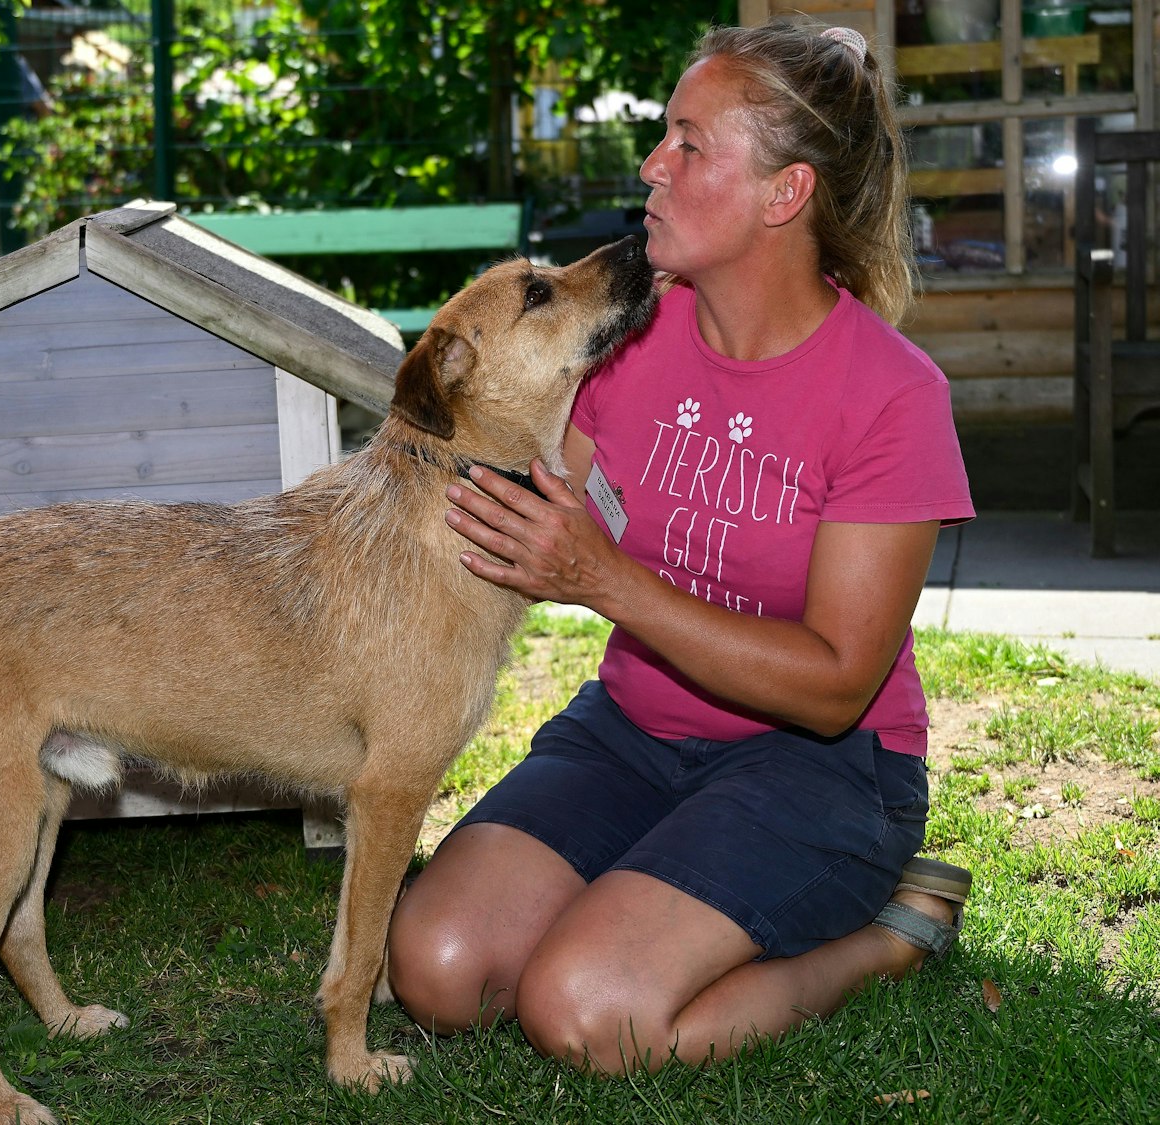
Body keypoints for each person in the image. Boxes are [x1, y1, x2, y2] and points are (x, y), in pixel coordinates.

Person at [386, 22, 978, 1074]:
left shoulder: (890, 396)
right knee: (437, 969)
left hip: (819, 766)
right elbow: (530, 496)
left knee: (584, 1015)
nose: (652, 166)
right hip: (630, 732)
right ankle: (657, 886)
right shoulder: (624, 336)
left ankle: (881, 938)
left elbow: (838, 684)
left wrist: (605, 581)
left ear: (782, 194)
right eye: (664, 135)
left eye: (689, 144)